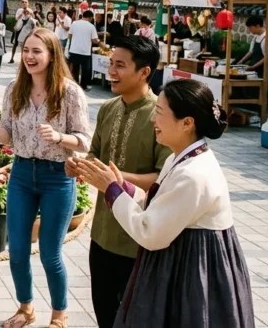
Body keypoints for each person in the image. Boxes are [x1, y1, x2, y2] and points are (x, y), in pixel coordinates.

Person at [75, 79, 254, 328]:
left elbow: (150, 232)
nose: (152, 121)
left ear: (187, 123)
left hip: (194, 270)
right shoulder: (183, 158)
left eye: (159, 113)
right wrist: (121, 186)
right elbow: (158, 203)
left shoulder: (194, 173)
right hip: (182, 262)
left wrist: (112, 190)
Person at [0, 28, 91, 328]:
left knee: (50, 254)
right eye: (26, 50)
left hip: (57, 176)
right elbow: (9, 136)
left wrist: (59, 137)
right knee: (16, 250)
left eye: (36, 51)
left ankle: (59, 314)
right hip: (22, 175)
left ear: (52, 55)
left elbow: (85, 140)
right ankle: (26, 309)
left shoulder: (70, 93)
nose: (29, 56)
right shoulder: (14, 89)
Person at [65, 36, 171, 328]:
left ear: (144, 72)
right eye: (111, 63)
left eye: (120, 66)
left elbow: (165, 179)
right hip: (102, 234)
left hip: (139, 239)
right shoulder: (109, 108)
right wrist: (79, 165)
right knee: (104, 313)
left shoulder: (161, 116)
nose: (111, 71)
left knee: (135, 318)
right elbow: (95, 155)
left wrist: (115, 179)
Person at [237, 16, 268, 89]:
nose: (249, 30)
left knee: (265, 91)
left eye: (250, 28)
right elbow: (251, 52)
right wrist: (241, 62)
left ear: (258, 26)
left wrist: (253, 67)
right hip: (255, 71)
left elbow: (267, 57)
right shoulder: (255, 37)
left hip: (266, 71)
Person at [68, 10, 100, 91]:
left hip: (74, 50)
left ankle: (74, 86)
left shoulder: (74, 23)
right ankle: (83, 86)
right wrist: (100, 42)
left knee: (74, 69)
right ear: (90, 17)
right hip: (85, 51)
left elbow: (69, 36)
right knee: (85, 70)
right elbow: (94, 40)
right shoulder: (91, 26)